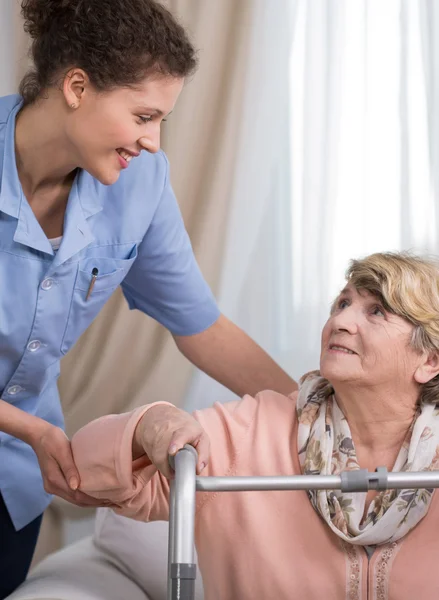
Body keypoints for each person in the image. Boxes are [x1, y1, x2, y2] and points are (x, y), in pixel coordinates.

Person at [0, 0, 296, 597]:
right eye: (143, 115)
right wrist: (30, 430)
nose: (154, 141)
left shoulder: (139, 185)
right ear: (77, 87)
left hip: (15, 485)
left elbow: (200, 324)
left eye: (161, 120)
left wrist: (310, 415)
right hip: (30, 443)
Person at [72, 252, 439, 599]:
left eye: (376, 311)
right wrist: (147, 424)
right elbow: (84, 473)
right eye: (342, 304)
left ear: (429, 360)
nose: (340, 322)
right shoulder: (246, 432)